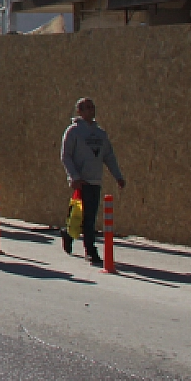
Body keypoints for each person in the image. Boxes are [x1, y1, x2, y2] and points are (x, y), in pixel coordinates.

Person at [60, 97, 125, 264]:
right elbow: (66, 156)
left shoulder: (101, 134)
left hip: (95, 180)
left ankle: (68, 234)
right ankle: (91, 250)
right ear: (79, 112)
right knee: (84, 217)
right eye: (86, 108)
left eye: (92, 107)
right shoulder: (73, 131)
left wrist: (118, 176)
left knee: (88, 217)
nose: (90, 110)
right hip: (81, 181)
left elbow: (108, 156)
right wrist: (74, 176)